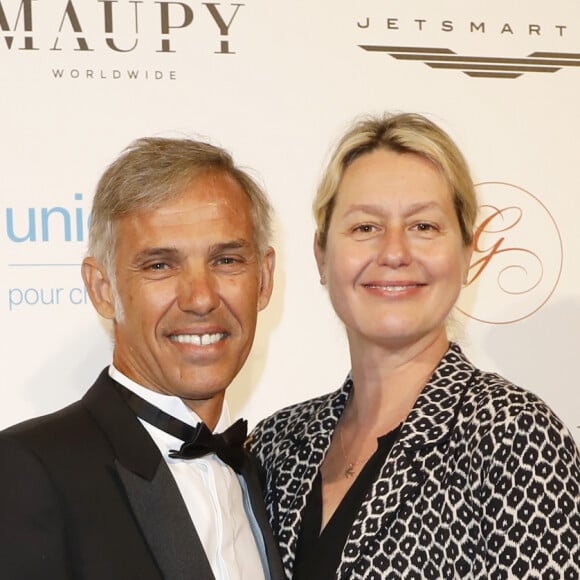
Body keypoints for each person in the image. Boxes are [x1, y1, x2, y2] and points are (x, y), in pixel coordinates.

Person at [248, 113, 580, 579]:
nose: (395, 252)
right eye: (365, 227)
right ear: (321, 254)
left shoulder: (513, 436)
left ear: (468, 254)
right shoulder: (275, 446)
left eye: (424, 226)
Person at [0, 137, 284, 580]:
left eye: (226, 259)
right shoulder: (27, 473)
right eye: (159, 266)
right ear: (102, 288)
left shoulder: (264, 477)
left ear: (264, 279)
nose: (201, 298)